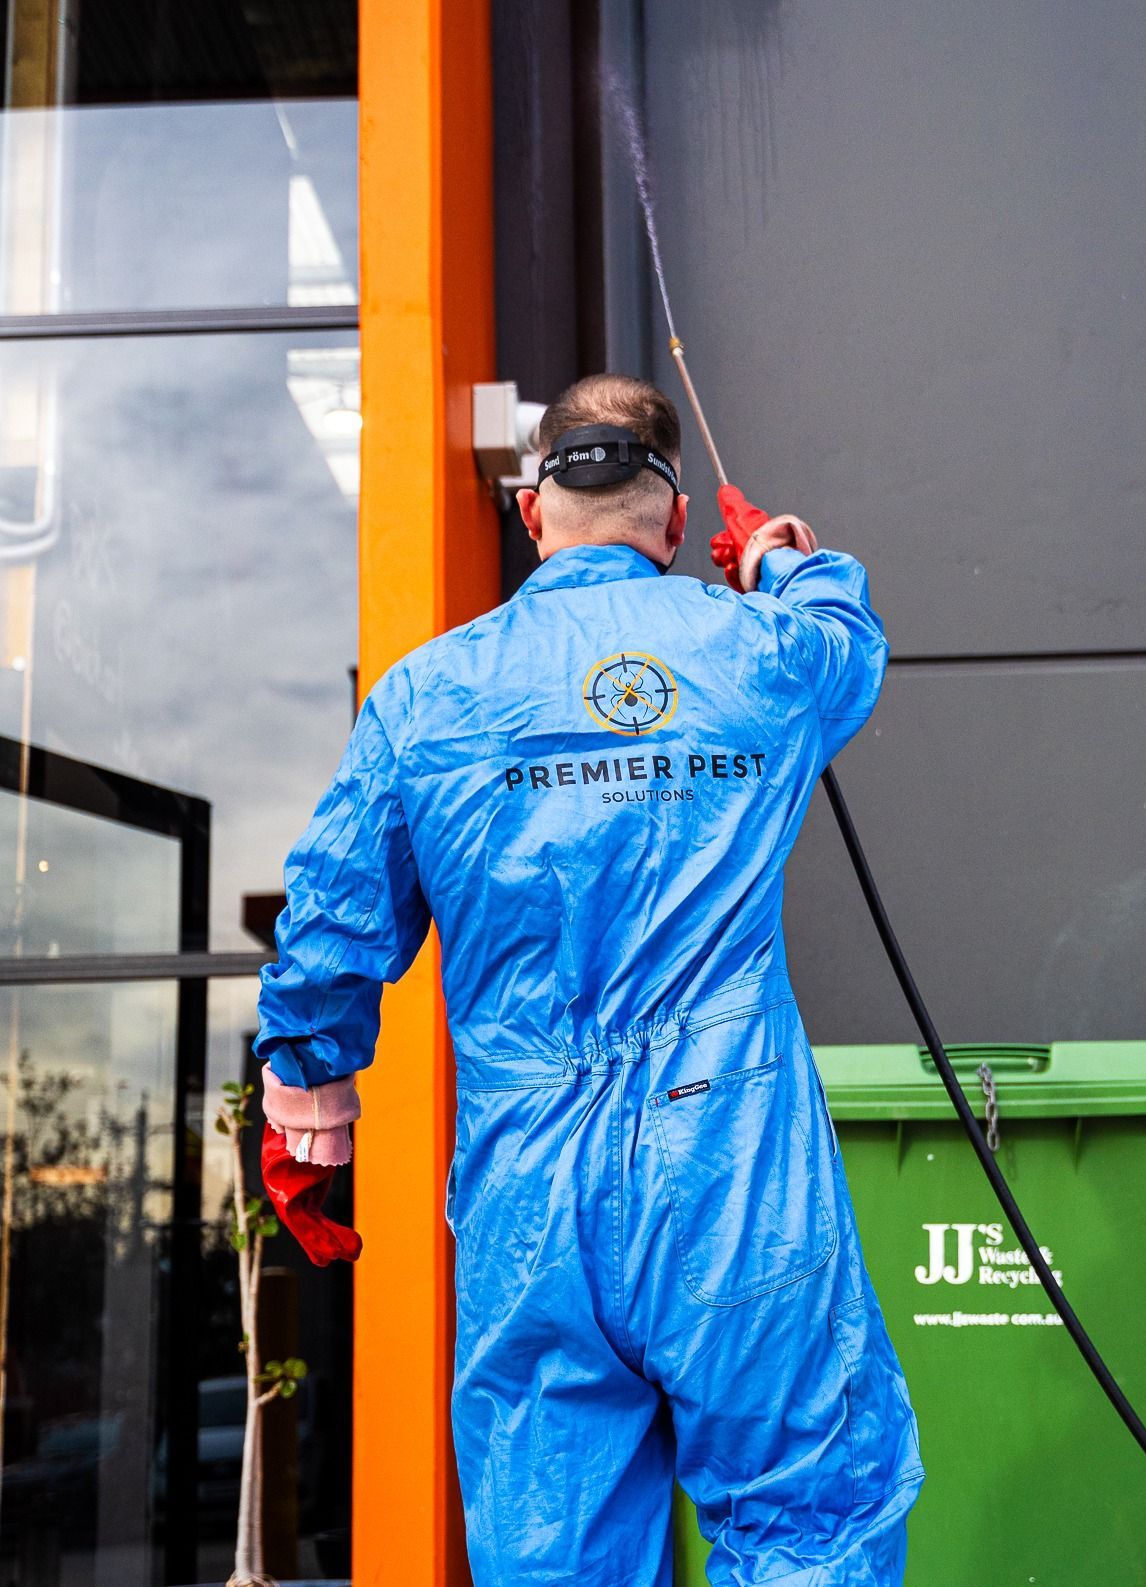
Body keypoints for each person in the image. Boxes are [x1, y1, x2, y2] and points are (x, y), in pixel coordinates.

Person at [254, 373, 924, 1585]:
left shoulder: (427, 695)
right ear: (673, 524)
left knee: (555, 1549)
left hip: (528, 1198)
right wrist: (777, 562)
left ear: (531, 513)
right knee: (810, 1521)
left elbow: (330, 928)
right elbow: (847, 642)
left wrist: (311, 1110)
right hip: (731, 1176)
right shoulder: (764, 653)